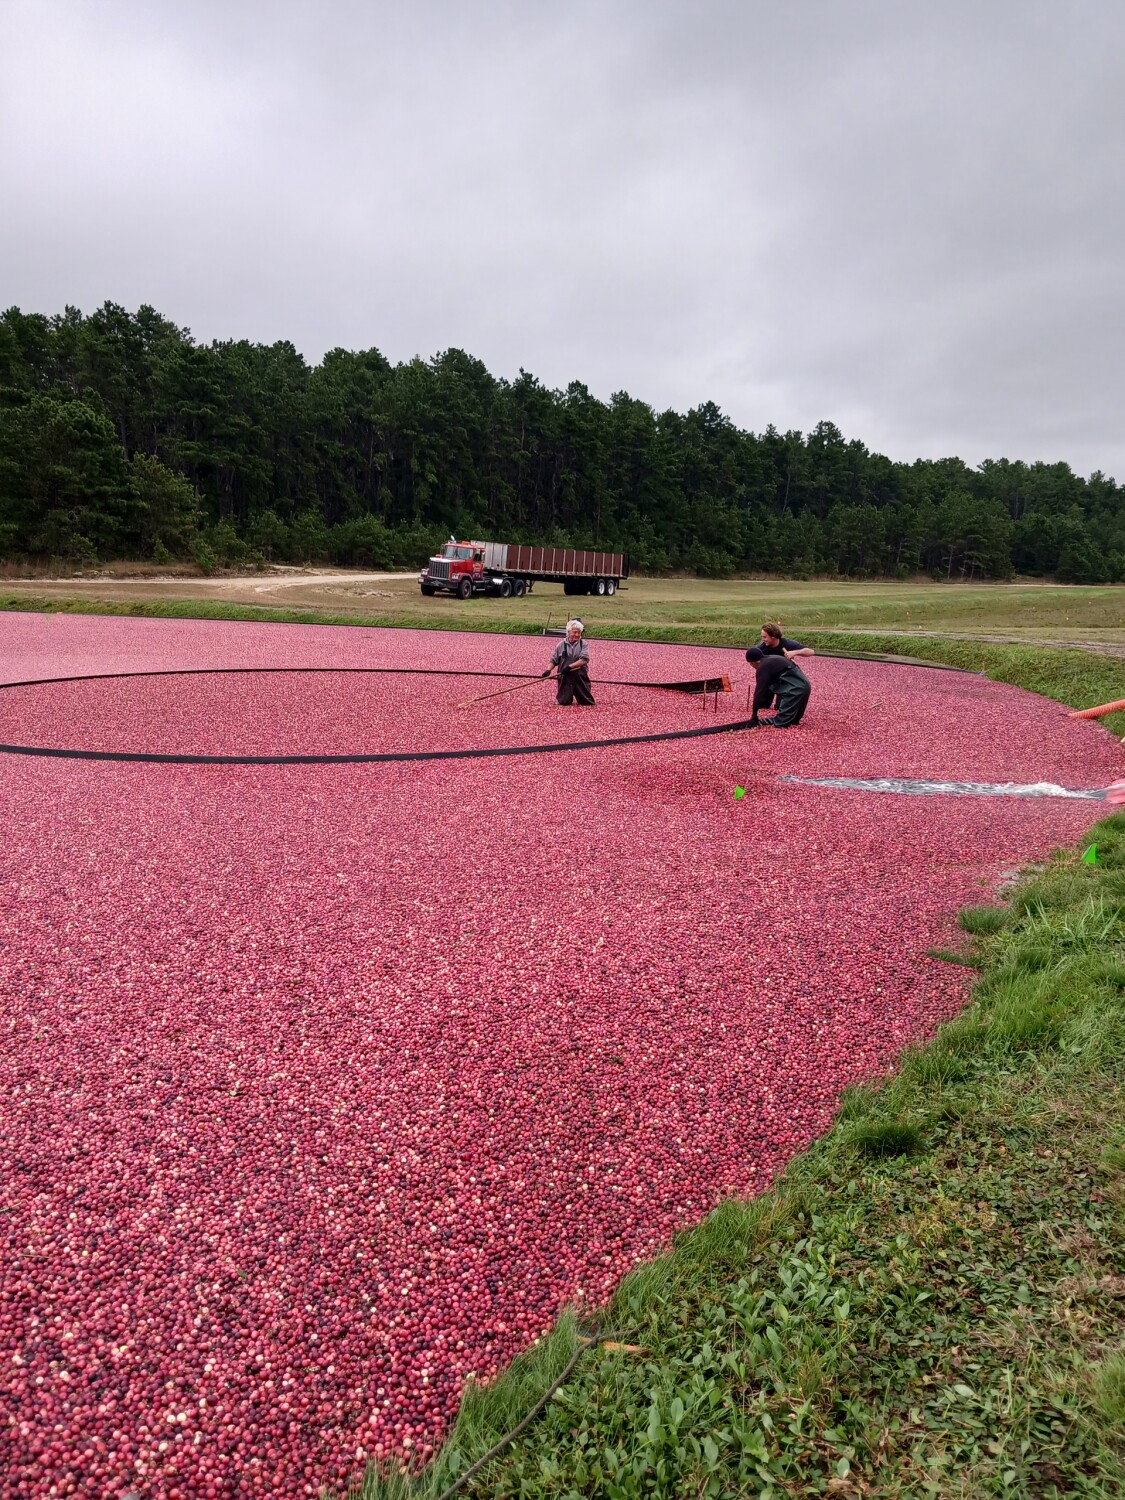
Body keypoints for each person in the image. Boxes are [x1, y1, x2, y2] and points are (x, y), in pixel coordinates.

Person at [745, 645, 811, 727]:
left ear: (754, 662)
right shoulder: (773, 658)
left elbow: (759, 692)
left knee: (781, 722)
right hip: (805, 686)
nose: (752, 667)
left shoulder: (763, 667)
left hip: (795, 690)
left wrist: (754, 714)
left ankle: (764, 723)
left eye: (751, 664)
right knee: (793, 720)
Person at [544, 619, 595, 705]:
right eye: (575, 632)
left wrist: (569, 667)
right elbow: (554, 660)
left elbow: (583, 660)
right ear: (568, 632)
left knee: (587, 702)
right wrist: (548, 670)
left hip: (580, 675)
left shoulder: (583, 644)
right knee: (564, 702)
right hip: (565, 676)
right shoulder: (561, 645)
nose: (577, 635)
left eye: (579, 632)